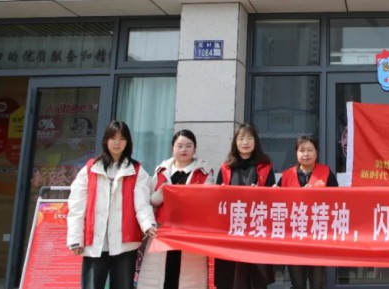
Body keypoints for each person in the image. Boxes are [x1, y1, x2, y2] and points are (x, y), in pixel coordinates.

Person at [67, 120, 157, 289]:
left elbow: (142, 204)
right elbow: (77, 207)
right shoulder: (90, 169)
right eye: (113, 138)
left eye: (122, 139)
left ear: (128, 142)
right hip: (95, 242)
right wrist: (75, 239)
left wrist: (148, 225)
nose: (117, 143)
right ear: (105, 140)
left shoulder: (137, 170)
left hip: (125, 243)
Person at [137, 129, 214, 289]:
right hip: (163, 232)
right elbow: (152, 201)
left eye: (188, 146)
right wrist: (161, 194)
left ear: (195, 148)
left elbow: (208, 201)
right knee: (162, 275)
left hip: (190, 232)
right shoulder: (162, 171)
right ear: (173, 148)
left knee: (186, 277)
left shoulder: (204, 172)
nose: (184, 150)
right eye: (179, 146)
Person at [215, 123, 276, 289]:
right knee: (232, 277)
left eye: (249, 138)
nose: (245, 142)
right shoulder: (226, 167)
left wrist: (261, 193)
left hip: (257, 228)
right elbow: (217, 199)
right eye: (241, 138)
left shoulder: (265, 166)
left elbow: (273, 197)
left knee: (256, 278)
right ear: (235, 142)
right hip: (232, 229)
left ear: (256, 141)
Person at [277, 136, 338, 289]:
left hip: (317, 236)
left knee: (317, 283)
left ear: (316, 152)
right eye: (302, 150)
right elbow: (276, 202)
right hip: (293, 237)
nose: (306, 154)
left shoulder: (326, 173)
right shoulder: (287, 176)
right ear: (296, 153)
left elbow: (337, 200)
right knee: (298, 284)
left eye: (310, 150)